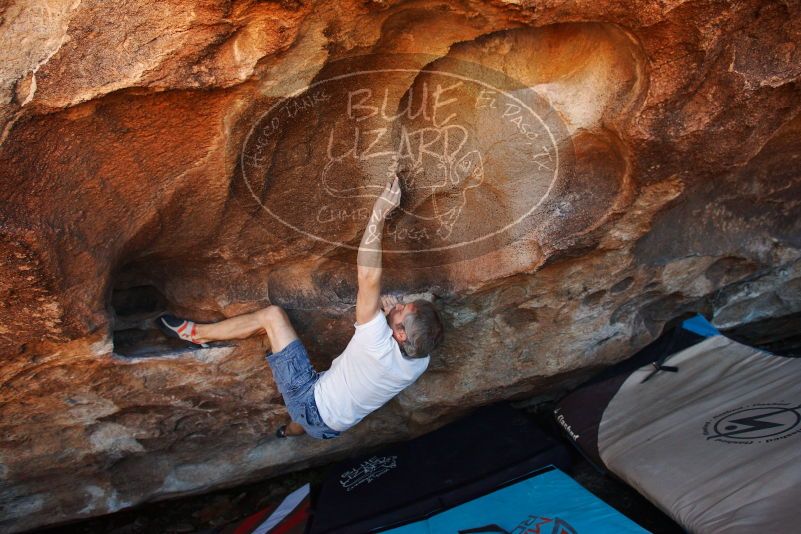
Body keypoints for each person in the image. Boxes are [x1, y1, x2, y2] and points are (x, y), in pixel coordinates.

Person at [158, 176, 444, 439]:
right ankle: (289, 432)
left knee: (272, 316)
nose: (399, 304)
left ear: (400, 335)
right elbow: (417, 320)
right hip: (333, 429)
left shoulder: (376, 341)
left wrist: (379, 213)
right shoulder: (420, 361)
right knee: (309, 414)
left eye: (402, 309)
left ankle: (199, 334)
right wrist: (390, 315)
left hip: (309, 399)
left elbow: (368, 277)